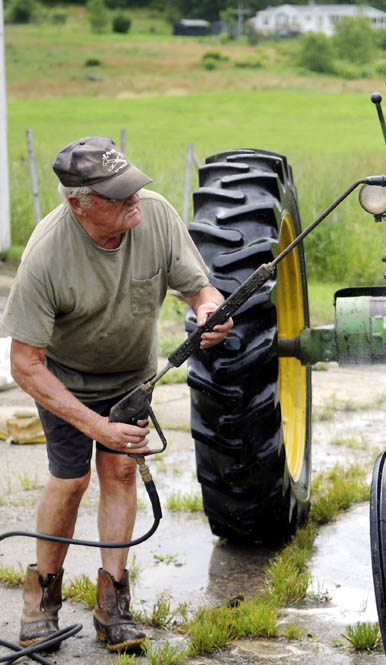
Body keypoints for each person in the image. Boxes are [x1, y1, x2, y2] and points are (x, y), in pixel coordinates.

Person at [0, 136, 233, 652]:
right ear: (77, 203)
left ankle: (113, 604)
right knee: (71, 479)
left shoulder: (153, 214)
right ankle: (41, 602)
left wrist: (207, 309)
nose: (134, 200)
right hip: (64, 380)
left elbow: (199, 288)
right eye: (117, 195)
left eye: (133, 187)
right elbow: (24, 365)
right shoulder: (46, 256)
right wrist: (95, 425)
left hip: (130, 374)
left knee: (121, 469)